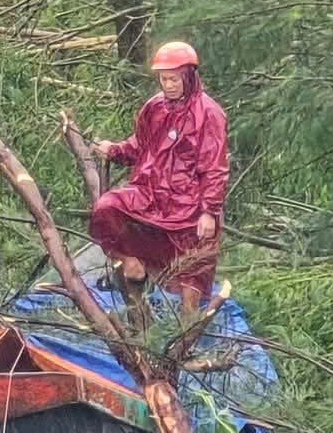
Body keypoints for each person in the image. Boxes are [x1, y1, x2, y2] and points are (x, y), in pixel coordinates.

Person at [88, 41, 229, 314]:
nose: (169, 85)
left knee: (193, 267)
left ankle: (187, 326)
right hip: (150, 194)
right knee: (106, 208)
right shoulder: (154, 107)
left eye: (174, 79)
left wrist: (208, 212)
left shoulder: (209, 113)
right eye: (164, 79)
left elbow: (215, 166)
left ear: (189, 76)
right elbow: (140, 145)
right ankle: (132, 263)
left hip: (189, 203)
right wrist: (114, 150)